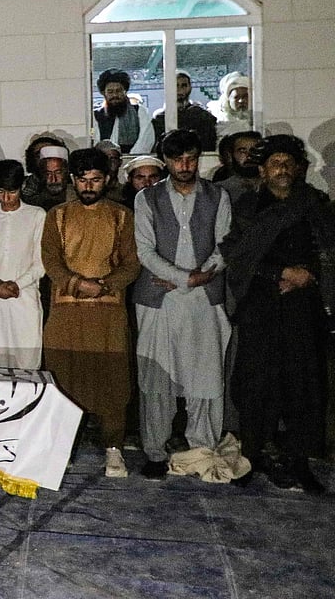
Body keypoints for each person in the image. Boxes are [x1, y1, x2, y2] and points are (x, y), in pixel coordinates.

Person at [220, 135, 332, 493]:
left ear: (298, 168)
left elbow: (329, 250)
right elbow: (237, 254)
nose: (281, 170)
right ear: (264, 170)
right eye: (275, 164)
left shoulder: (316, 205)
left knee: (303, 386)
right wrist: (279, 273)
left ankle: (298, 462)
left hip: (304, 309)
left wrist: (307, 274)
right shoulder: (248, 207)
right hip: (261, 308)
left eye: (287, 163)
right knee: (256, 385)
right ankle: (250, 457)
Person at [131, 129, 231, 480]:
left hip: (205, 298)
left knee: (205, 375)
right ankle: (156, 451)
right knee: (156, 377)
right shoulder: (147, 198)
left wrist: (200, 277)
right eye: (177, 160)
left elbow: (224, 245)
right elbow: (144, 250)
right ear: (166, 161)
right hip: (159, 300)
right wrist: (183, 278)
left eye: (191, 158)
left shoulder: (218, 196)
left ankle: (201, 446)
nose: (185, 166)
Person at [41, 148, 140, 478]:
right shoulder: (57, 215)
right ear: (73, 180)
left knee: (112, 380)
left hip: (108, 311)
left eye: (95, 180)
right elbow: (51, 261)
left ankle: (113, 449)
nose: (88, 186)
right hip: (66, 311)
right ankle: (63, 447)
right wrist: (75, 283)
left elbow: (131, 264)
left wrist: (106, 285)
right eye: (82, 180)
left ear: (107, 180)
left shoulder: (122, 216)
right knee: (64, 378)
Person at [0, 160, 46, 369]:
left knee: (25, 362)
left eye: (11, 192)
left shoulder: (36, 214)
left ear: (22, 186)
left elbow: (40, 264)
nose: (6, 198)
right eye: (0, 192)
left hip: (23, 297)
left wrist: (15, 285)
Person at [152, 71, 218, 151]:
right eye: (176, 86)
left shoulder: (201, 116)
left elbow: (208, 144)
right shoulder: (160, 118)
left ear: (189, 88)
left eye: (183, 85)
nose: (179, 90)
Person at [94, 69, 154, 154]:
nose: (115, 95)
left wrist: (128, 159)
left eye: (118, 91)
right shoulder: (96, 115)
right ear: (104, 93)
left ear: (125, 91)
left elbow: (146, 139)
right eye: (110, 92)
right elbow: (96, 142)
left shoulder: (139, 111)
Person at [215, 130, 263, 206]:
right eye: (242, 151)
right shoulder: (219, 191)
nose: (249, 155)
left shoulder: (273, 185)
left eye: (254, 151)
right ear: (230, 156)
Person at [23, 143, 72, 211]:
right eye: (48, 174)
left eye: (58, 173)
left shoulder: (77, 197)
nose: (53, 179)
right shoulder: (31, 202)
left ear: (67, 171)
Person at [208, 71, 252, 138]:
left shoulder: (258, 118)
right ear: (228, 99)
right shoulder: (218, 119)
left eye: (245, 96)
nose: (241, 101)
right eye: (236, 97)